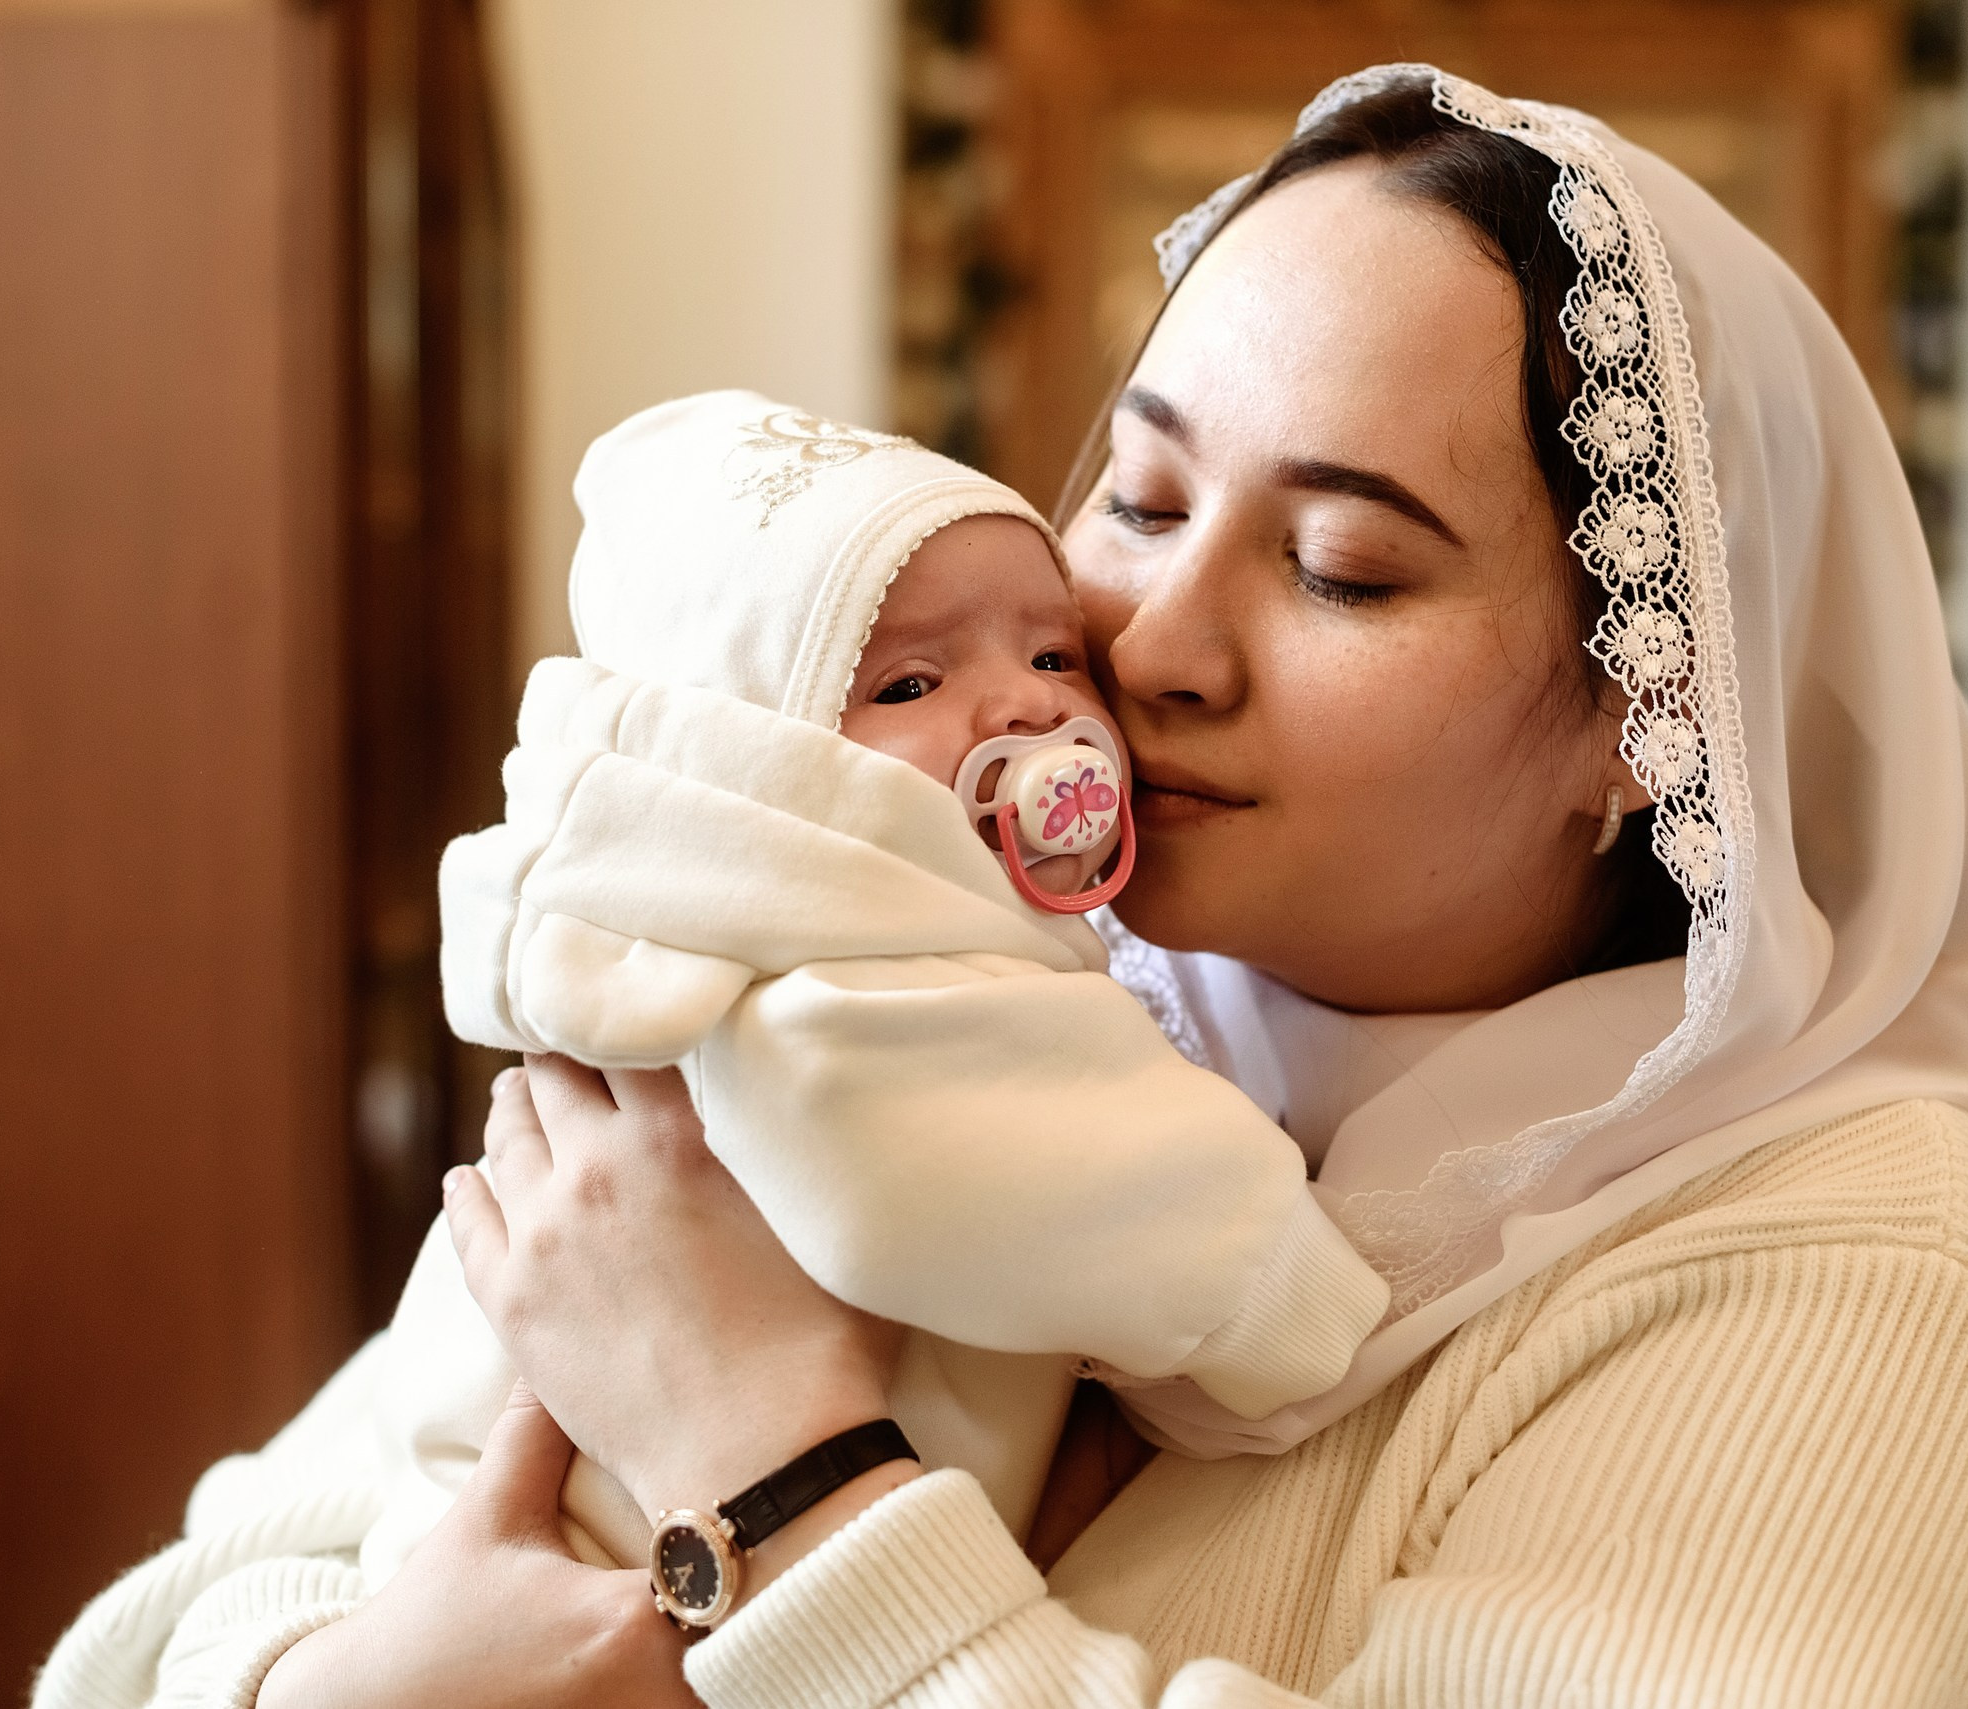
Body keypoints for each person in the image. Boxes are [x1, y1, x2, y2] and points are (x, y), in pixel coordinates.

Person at [37, 65, 1968, 1709]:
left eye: (1339, 567)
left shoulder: (1875, 1270)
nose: (1150, 639)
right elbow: (142, 1635)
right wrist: (366, 1675)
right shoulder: (923, 997)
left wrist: (763, 1455)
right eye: (1130, 494)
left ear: (1648, 715)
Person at [358, 389, 1384, 1587]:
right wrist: (1283, 1296)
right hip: (604, 1553)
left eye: (1052, 652)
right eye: (906, 686)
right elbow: (1071, 1162)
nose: (1030, 705)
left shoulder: (727, 937)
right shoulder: (845, 980)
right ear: (762, 767)